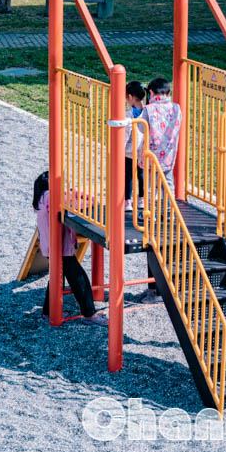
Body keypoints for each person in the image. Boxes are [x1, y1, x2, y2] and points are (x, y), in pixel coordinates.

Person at [33, 172, 108, 326]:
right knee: (79, 279)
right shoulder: (50, 196)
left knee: (57, 278)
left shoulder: (41, 198)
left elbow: (68, 199)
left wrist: (74, 194)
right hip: (59, 247)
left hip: (51, 246)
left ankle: (48, 312)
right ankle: (90, 314)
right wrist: (87, 197)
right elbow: (77, 204)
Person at [144, 77, 183, 193]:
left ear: (150, 93)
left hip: (151, 152)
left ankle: (151, 208)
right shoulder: (176, 108)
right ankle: (169, 208)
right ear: (168, 93)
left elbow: (142, 128)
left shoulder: (148, 109)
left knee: (150, 183)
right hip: (169, 151)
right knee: (168, 180)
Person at [124, 80, 147, 212]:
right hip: (143, 151)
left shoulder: (128, 116)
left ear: (131, 97)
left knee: (128, 177)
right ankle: (142, 200)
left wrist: (119, 150)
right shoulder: (148, 112)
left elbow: (125, 135)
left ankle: (127, 201)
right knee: (142, 176)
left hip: (129, 152)